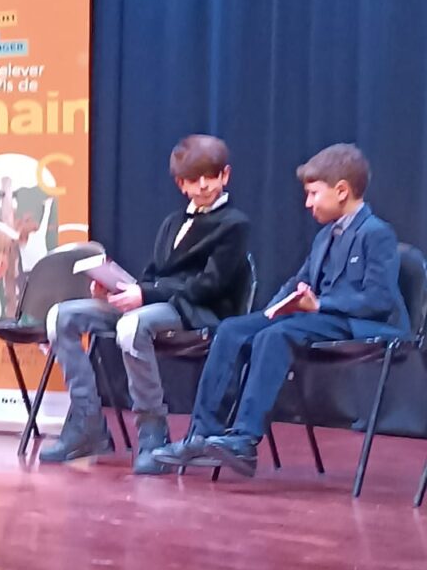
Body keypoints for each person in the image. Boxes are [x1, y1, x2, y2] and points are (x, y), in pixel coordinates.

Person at [153, 143, 408, 478]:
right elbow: (297, 282)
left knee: (278, 334)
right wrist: (273, 310)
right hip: (321, 318)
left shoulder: (377, 234)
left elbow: (379, 300)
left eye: (313, 194)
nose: (308, 203)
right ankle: (201, 434)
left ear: (342, 191)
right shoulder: (325, 237)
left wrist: (321, 304)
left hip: (359, 323)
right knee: (233, 329)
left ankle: (244, 439)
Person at [40, 135, 250, 474]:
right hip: (160, 304)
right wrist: (115, 289)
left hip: (199, 311)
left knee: (132, 325)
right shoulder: (172, 223)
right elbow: (154, 275)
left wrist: (145, 295)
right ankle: (86, 422)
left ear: (225, 175)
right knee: (61, 316)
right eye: (194, 179)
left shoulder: (234, 224)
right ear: (181, 184)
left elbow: (209, 285)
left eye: (211, 176)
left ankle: (153, 431)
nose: (203, 185)